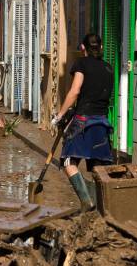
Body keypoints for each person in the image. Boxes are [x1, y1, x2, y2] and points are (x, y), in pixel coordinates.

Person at [52, 34, 114, 211]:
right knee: (97, 167)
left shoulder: (81, 64)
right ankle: (101, 209)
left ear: (82, 48)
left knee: (68, 162)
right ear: (101, 48)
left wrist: (59, 116)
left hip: (83, 121)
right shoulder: (109, 68)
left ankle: (87, 201)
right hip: (102, 123)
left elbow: (75, 91)